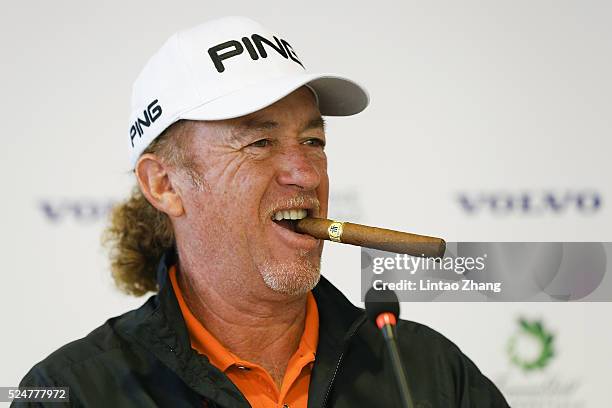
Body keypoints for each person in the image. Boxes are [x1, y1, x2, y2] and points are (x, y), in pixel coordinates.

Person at [16, 16, 509, 407]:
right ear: (164, 184)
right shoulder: (74, 393)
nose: (305, 172)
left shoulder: (429, 373)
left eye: (313, 140)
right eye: (260, 141)